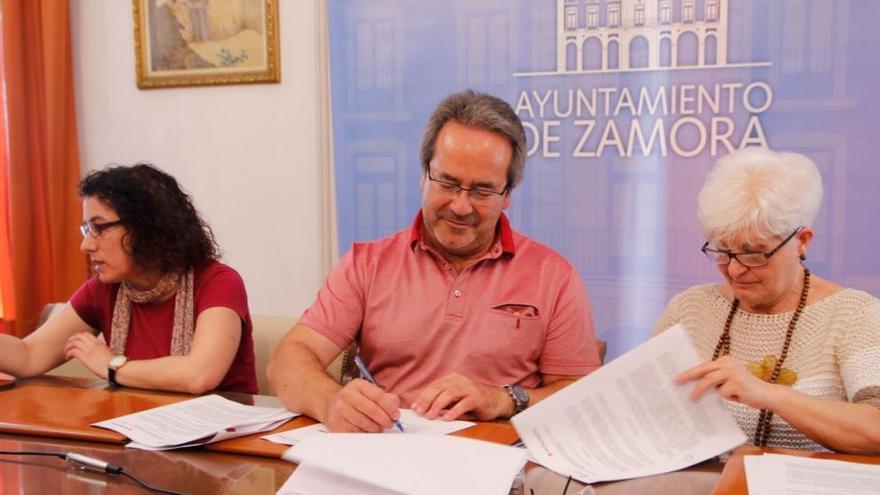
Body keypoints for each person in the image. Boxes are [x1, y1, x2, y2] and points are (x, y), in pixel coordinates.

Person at [268, 90, 601, 432]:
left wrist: (502, 399)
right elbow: (287, 361)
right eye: (448, 182)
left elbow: (582, 396)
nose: (460, 206)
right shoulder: (366, 264)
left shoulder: (554, 277)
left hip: (497, 464)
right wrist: (331, 402)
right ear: (424, 176)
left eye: (482, 191)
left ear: (507, 196)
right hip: (384, 455)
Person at [654, 147, 880, 454]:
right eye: (724, 252)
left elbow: (875, 430)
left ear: (801, 241)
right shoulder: (689, 310)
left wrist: (767, 394)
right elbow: (648, 411)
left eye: (753, 253)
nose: (734, 270)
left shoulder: (853, 315)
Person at [0, 164, 257, 394]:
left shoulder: (218, 282)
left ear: (146, 228)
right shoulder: (104, 289)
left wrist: (111, 365)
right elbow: (29, 356)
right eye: (87, 229)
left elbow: (198, 375)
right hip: (136, 431)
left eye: (98, 228)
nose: (86, 246)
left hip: (221, 439)